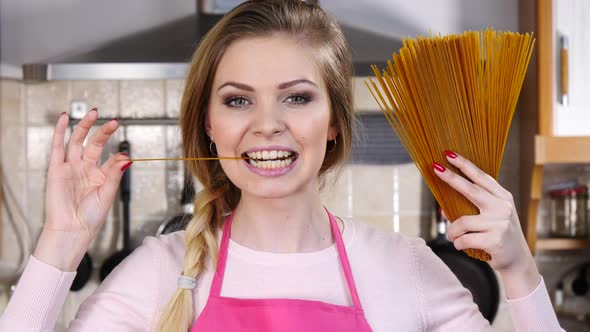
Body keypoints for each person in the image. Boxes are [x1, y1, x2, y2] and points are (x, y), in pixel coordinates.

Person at [1, 0, 562, 331]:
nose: (267, 124)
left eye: (296, 97)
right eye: (238, 100)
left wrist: (518, 270)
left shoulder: (406, 269)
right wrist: (61, 242)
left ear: (334, 120)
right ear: (207, 124)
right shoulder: (158, 273)